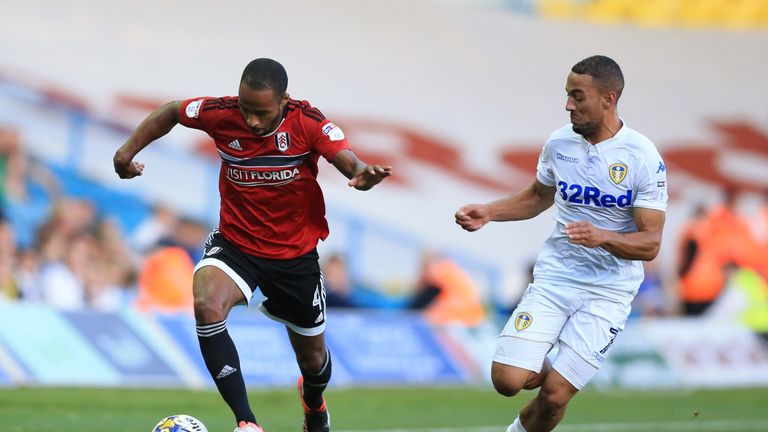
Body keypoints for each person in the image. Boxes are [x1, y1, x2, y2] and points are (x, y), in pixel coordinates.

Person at [113, 58, 391, 432]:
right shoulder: (220, 113)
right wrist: (127, 151)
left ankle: (313, 404)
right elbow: (171, 111)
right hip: (236, 245)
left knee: (313, 361)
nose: (252, 121)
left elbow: (350, 161)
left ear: (284, 101)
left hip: (294, 260)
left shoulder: (309, 123)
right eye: (246, 110)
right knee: (206, 304)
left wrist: (363, 175)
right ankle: (247, 423)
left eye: (261, 113)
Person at [455, 55, 667, 432]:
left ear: (608, 98)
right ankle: (555, 361)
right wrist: (490, 211)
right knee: (507, 381)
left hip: (609, 294)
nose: (568, 104)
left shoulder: (642, 157)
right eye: (567, 95)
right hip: (556, 280)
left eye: (577, 96)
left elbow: (650, 243)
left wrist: (602, 237)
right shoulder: (559, 144)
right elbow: (539, 195)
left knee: (553, 398)